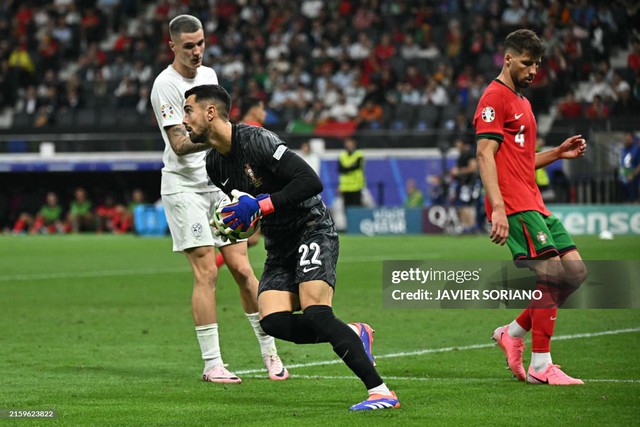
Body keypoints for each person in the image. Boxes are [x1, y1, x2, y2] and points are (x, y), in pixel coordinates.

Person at [183, 83, 400, 411]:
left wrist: (261, 206)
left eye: (189, 110)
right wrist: (241, 223)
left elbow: (311, 182)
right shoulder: (214, 166)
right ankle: (353, 334)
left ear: (210, 112)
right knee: (272, 320)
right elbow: (250, 208)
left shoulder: (257, 140)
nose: (183, 119)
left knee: (316, 311)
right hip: (279, 243)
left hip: (311, 228)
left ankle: (381, 391)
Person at [150, 15, 287, 384]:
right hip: (184, 187)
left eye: (201, 44)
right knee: (207, 271)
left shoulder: (209, 77)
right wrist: (214, 134)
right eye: (189, 46)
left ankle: (271, 354)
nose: (197, 51)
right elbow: (179, 145)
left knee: (243, 271)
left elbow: (222, 131)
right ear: (173, 46)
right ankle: (213, 363)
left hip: (218, 183)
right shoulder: (165, 85)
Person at [475, 29, 588, 386]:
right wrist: (497, 208)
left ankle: (512, 332)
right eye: (527, 63)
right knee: (552, 274)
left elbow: (521, 161)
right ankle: (541, 364)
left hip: (534, 201)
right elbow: (484, 154)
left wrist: (557, 153)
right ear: (507, 59)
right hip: (513, 203)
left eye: (537, 64)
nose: (533, 70)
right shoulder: (494, 97)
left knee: (575, 273)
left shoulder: (522, 101)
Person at [338, 138, 366, 207]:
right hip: (346, 187)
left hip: (357, 186)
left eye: (351, 145)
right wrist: (351, 166)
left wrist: (346, 168)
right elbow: (340, 169)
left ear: (354, 145)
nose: (349, 146)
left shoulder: (359, 154)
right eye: (348, 145)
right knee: (347, 208)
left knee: (357, 207)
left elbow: (357, 166)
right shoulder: (342, 155)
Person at [620, 131, 640, 202]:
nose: (628, 140)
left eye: (629, 139)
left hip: (634, 179)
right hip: (624, 178)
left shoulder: (636, 150)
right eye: (626, 139)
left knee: (634, 198)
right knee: (625, 198)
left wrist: (633, 174)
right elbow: (623, 163)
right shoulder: (623, 150)